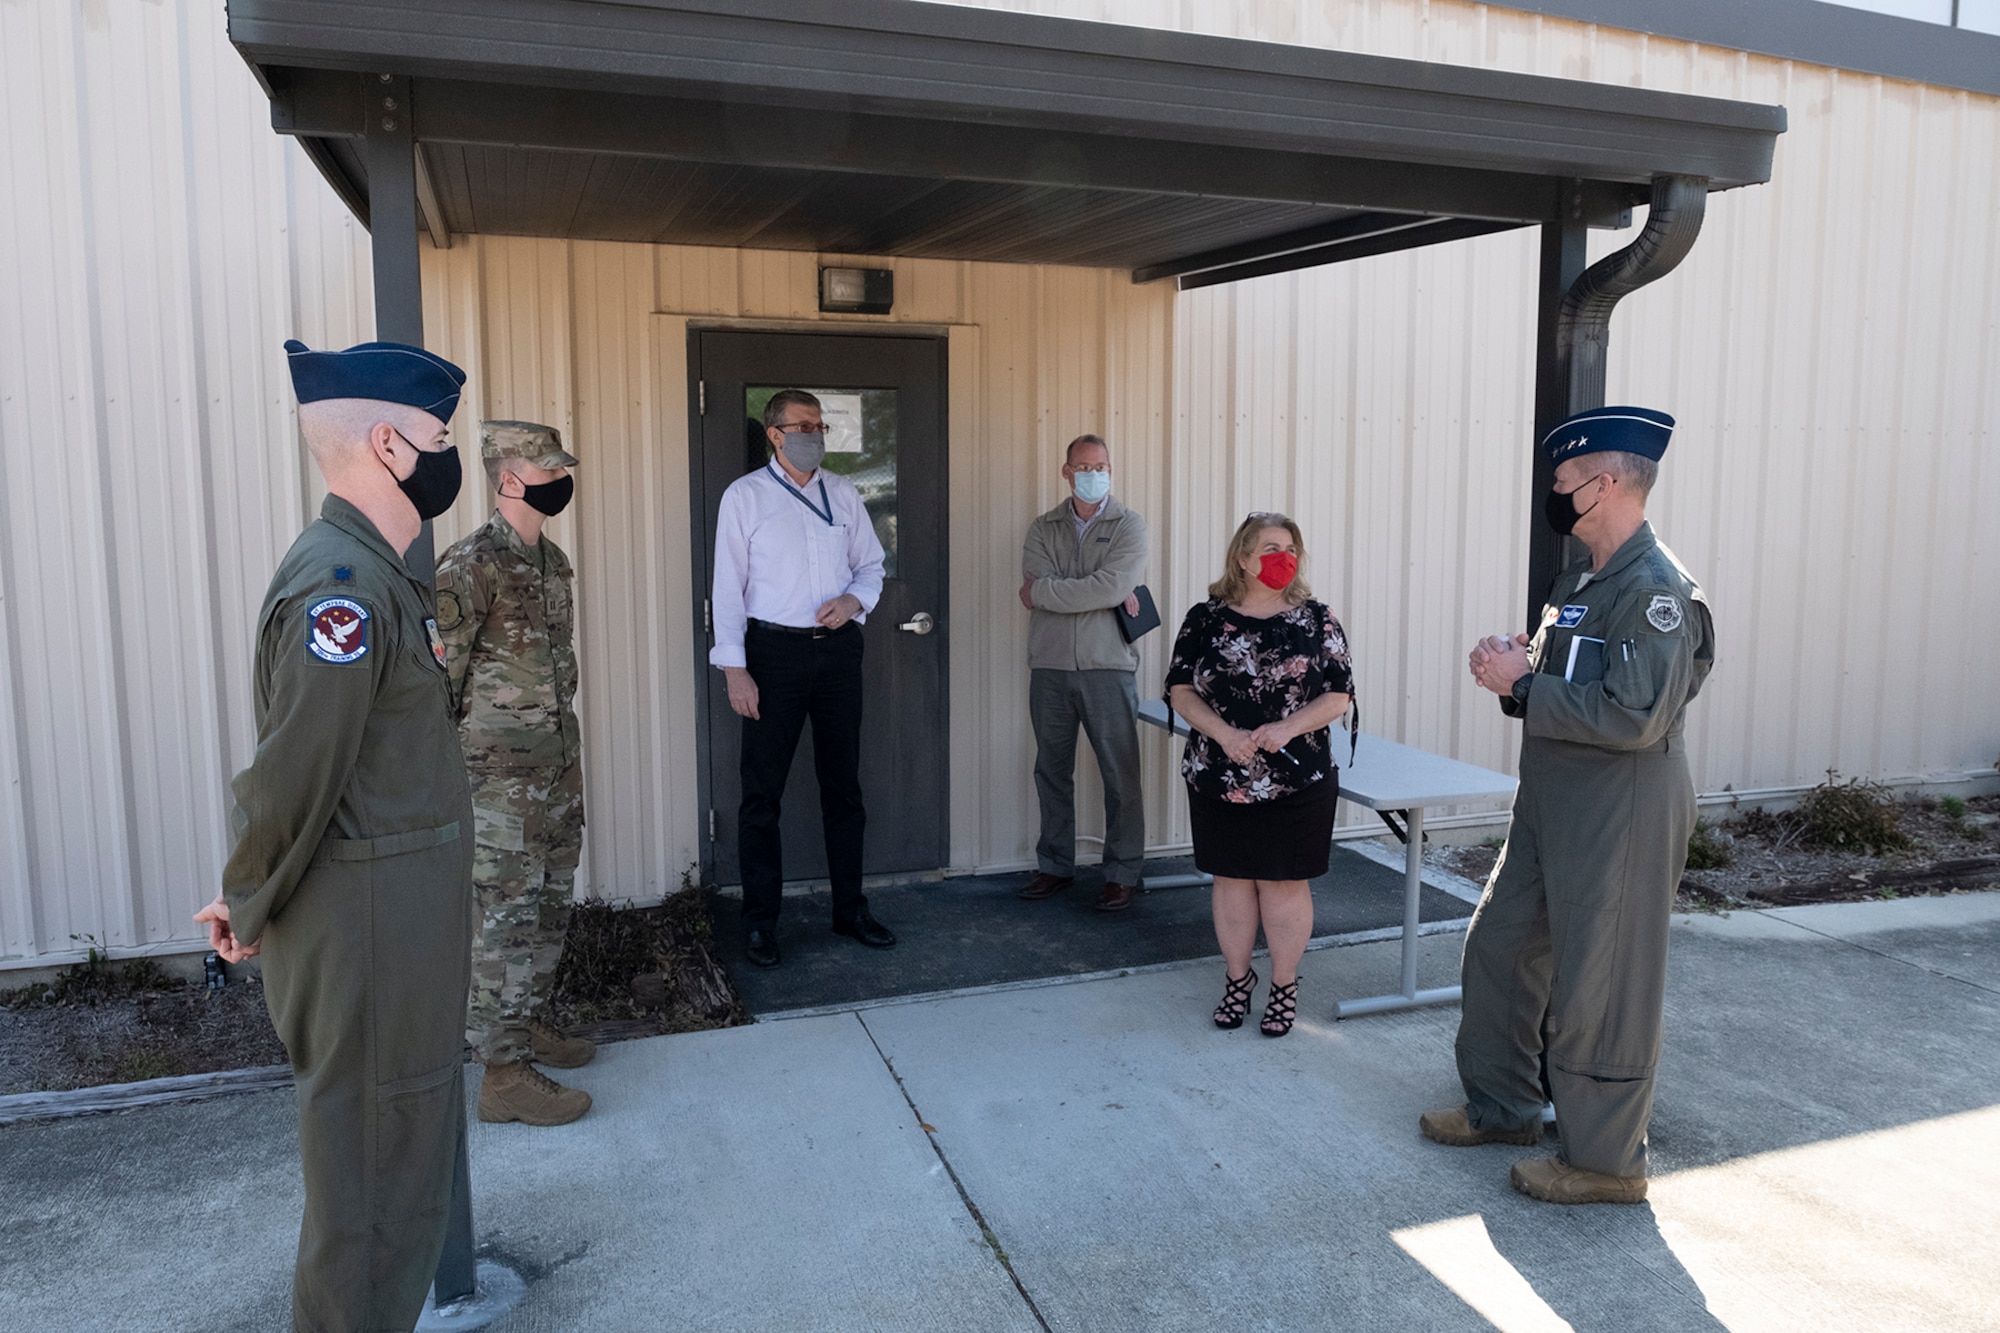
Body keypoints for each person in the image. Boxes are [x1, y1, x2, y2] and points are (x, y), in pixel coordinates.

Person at [194, 338, 475, 1332]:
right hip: (367, 937)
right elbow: (294, 769)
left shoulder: (371, 572)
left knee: (394, 1177)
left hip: (388, 926)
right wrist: (249, 895)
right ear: (391, 444)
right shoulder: (343, 589)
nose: (453, 456)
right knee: (370, 1193)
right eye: (443, 437)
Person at [1422, 405, 1714, 1206]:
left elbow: (1633, 715)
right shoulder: (1580, 581)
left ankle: (1607, 1160)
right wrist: (1518, 667)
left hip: (1621, 812)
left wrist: (1523, 685)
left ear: (1605, 482)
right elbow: (1566, 686)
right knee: (1501, 948)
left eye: (1563, 482)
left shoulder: (1655, 591)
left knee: (1604, 985)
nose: (1554, 495)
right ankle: (1505, 1107)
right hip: (1552, 802)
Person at [435, 420, 594, 1127]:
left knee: (549, 903)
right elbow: (441, 681)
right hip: (498, 783)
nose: (561, 482)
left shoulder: (551, 561)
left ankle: (525, 1026)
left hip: (556, 769)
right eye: (546, 470)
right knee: (503, 918)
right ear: (507, 479)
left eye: (562, 469)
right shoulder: (468, 566)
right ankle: (502, 1075)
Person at [711, 389, 895, 968]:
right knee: (761, 796)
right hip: (773, 655)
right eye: (803, 425)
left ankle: (850, 910)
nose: (815, 433)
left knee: (843, 789)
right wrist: (735, 670)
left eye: (820, 424)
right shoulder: (745, 497)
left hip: (838, 654)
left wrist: (854, 600)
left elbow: (872, 567)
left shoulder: (844, 493)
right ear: (775, 434)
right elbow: (727, 588)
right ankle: (761, 923)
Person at [1165, 513, 1354, 1038]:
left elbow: (1339, 694)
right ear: (1243, 558)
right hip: (1219, 773)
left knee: (1283, 884)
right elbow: (1180, 690)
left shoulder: (1317, 619)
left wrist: (1288, 727)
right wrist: (1225, 735)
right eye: (1271, 547)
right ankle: (1237, 979)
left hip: (1298, 775)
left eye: (1291, 548)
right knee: (1231, 880)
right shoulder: (1204, 618)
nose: (1284, 558)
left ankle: (1284, 985)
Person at [1017, 433, 1150, 911]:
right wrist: (1098, 591)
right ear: (1067, 472)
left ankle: (1122, 872)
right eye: (1084, 466)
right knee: (1051, 770)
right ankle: (1055, 865)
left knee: (1121, 774)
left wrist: (1053, 592)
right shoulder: (1042, 527)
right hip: (1049, 666)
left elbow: (1110, 585)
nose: (1094, 474)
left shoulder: (1129, 526)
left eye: (1102, 466)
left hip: (1108, 666)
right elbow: (1040, 585)